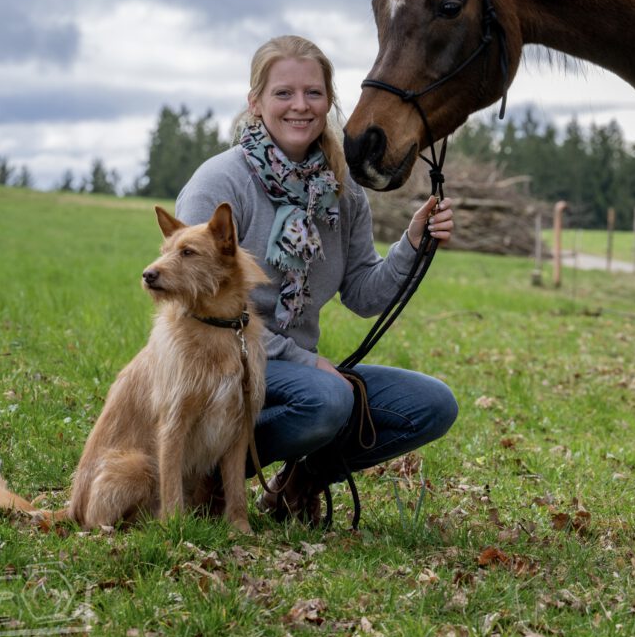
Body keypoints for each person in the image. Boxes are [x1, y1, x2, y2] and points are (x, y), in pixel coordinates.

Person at [175, 35, 458, 524]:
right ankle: (207, 478)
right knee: (327, 399)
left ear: (329, 101)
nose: (300, 106)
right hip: (219, 366)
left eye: (314, 93)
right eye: (283, 93)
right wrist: (305, 361)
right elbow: (195, 310)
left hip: (295, 375)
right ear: (255, 102)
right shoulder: (219, 184)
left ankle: (300, 480)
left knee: (432, 404)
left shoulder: (341, 192)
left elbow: (366, 294)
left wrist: (413, 243)